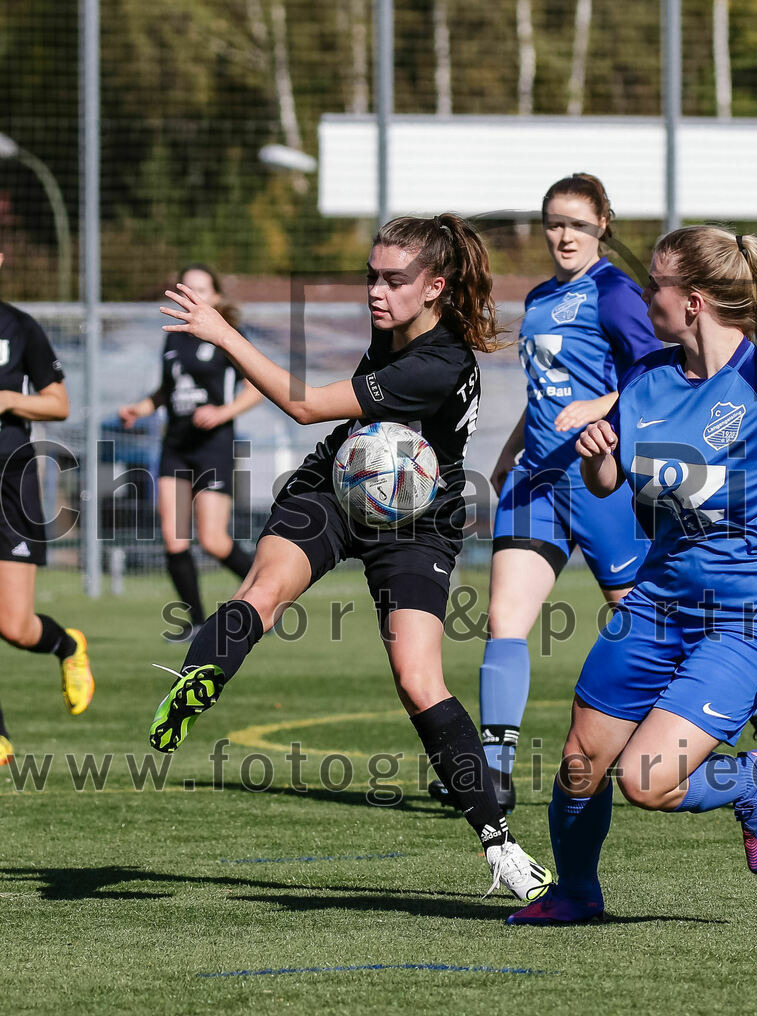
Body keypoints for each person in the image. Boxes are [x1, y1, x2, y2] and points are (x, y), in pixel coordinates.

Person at [146, 215, 553, 900]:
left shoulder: (440, 362)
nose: (376, 290)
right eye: (371, 275)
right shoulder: (399, 324)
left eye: (394, 280)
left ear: (435, 287)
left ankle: (498, 841)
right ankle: (198, 676)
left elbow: (304, 404)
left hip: (418, 520)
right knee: (263, 589)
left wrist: (224, 333)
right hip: (339, 482)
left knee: (418, 678)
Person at [508, 226, 757, 924]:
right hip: (659, 601)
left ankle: (750, 778)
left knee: (645, 781)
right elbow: (606, 480)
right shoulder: (647, 377)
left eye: (656, 283)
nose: (644, 293)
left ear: (696, 302)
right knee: (582, 761)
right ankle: (575, 895)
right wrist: (596, 450)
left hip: (747, 617)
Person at [428, 173, 757, 814]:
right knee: (504, 622)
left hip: (601, 483)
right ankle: (494, 769)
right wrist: (511, 453)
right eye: (552, 222)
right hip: (537, 480)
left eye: (577, 223)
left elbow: (655, 380)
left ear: (603, 226)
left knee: (649, 617)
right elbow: (547, 394)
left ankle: (755, 696)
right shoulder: (539, 298)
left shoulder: (619, 293)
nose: (563, 234)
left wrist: (600, 415)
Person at [119, 264, 263, 641]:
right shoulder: (173, 338)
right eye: (187, 289)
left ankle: (269, 601)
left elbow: (256, 388)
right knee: (173, 537)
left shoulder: (228, 335)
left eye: (201, 290)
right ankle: (196, 622)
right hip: (176, 446)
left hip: (213, 446)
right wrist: (141, 408)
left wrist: (222, 412)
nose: (193, 297)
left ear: (215, 297)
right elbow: (167, 392)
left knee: (213, 540)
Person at [0, 251, 94, 765]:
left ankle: (66, 645)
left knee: (14, 624)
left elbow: (58, 403)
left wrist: (8, 400)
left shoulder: (19, 327)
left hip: (9, 483)